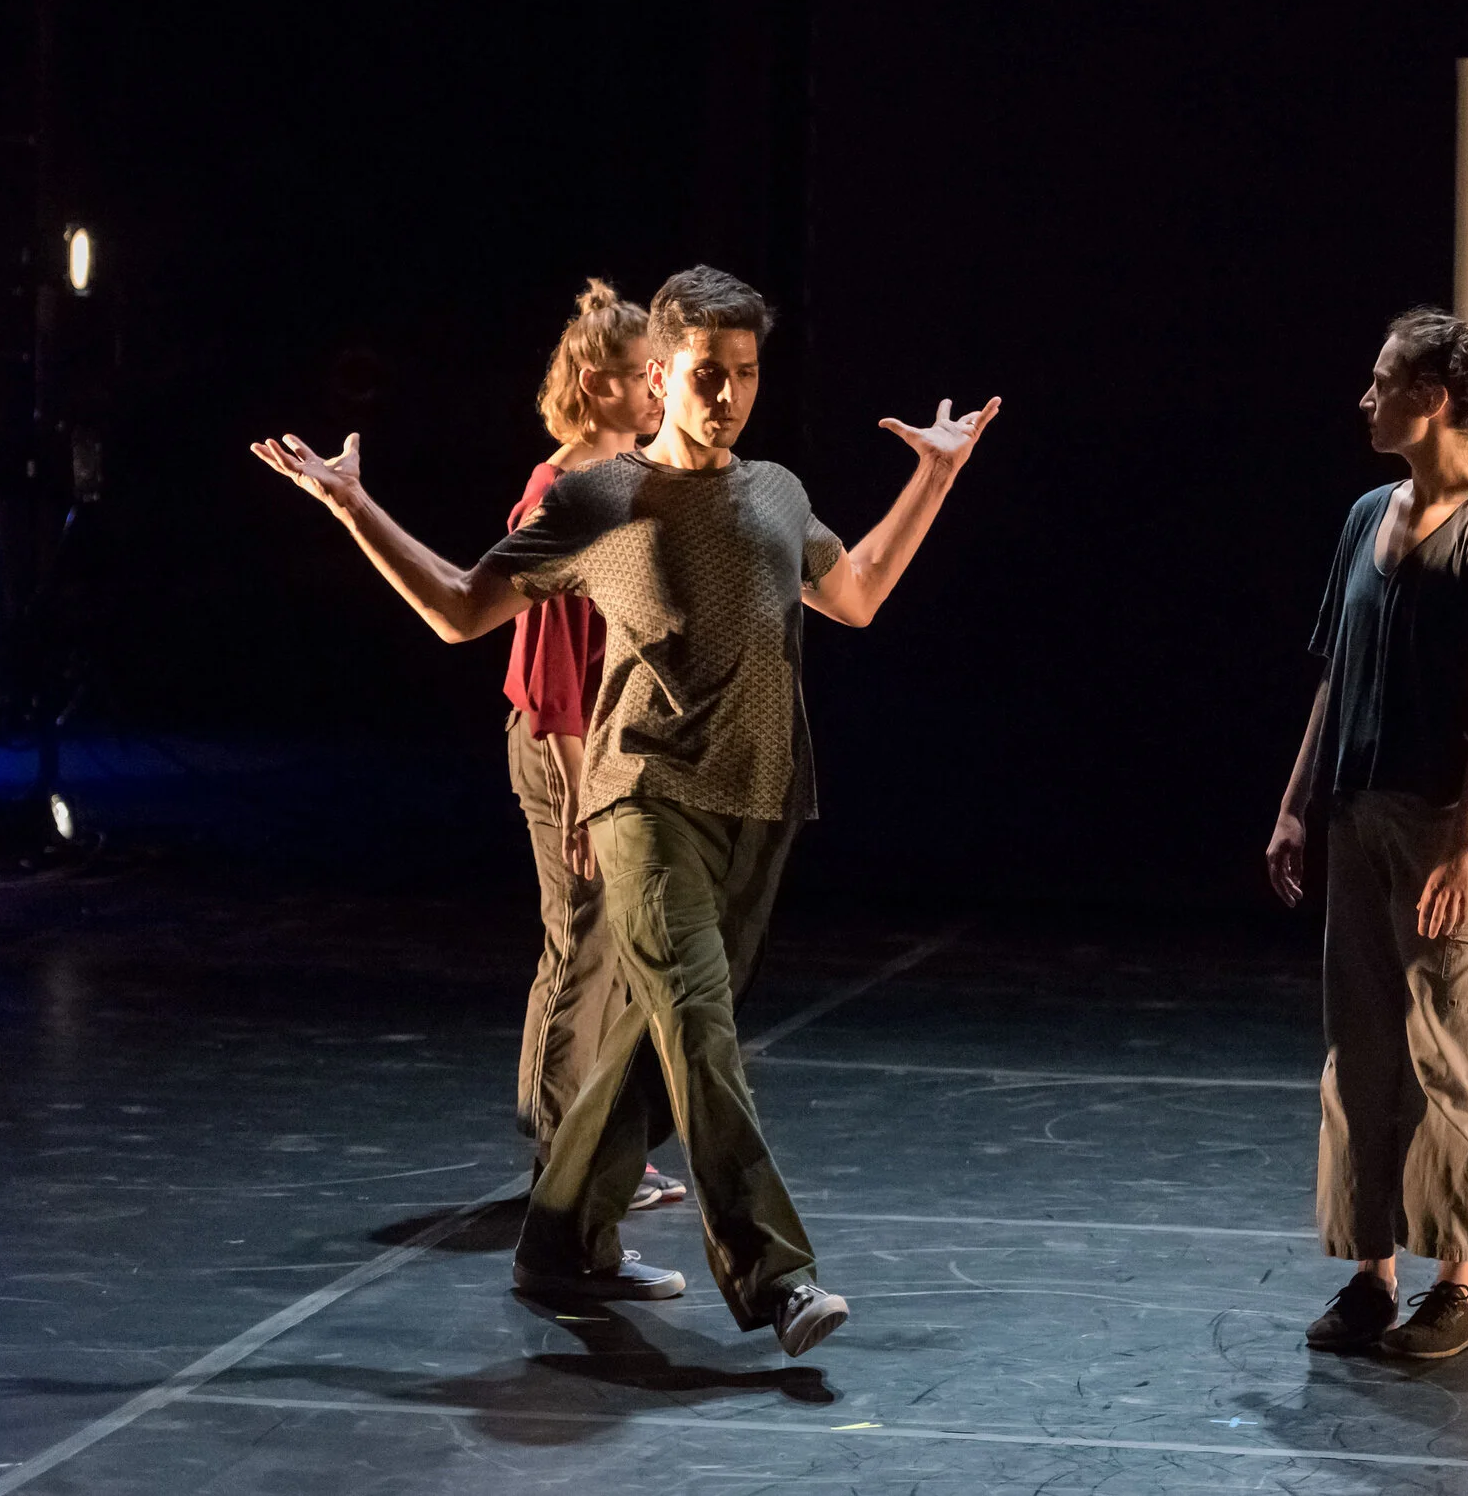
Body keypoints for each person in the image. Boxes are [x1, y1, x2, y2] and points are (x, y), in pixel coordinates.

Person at [252, 265, 999, 1358]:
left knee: (656, 1042)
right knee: (698, 1025)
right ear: (662, 374)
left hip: (760, 802)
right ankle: (777, 1276)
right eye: (706, 374)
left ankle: (560, 1240)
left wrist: (934, 478)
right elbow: (461, 609)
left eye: (746, 373)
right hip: (643, 799)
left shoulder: (776, 493)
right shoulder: (598, 498)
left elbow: (858, 594)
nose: (728, 396)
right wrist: (352, 504)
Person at [1263, 308, 1468, 1362]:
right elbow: (1335, 674)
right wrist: (1296, 803)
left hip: (1446, 824)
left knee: (1448, 1052)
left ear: (1431, 401)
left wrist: (1467, 847)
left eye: (1382, 382)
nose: (1365, 398)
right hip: (1360, 813)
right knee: (1365, 1049)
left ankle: (1455, 1284)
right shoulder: (1365, 516)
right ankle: (1371, 1273)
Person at [499, 280, 684, 1213]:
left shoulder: (629, 481)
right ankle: (561, 1166)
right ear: (592, 383)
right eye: (641, 374)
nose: (658, 389)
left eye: (660, 372)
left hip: (613, 745)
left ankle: (595, 1147)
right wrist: (579, 796)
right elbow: (550, 673)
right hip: (564, 746)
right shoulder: (563, 494)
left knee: (616, 951)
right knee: (583, 944)